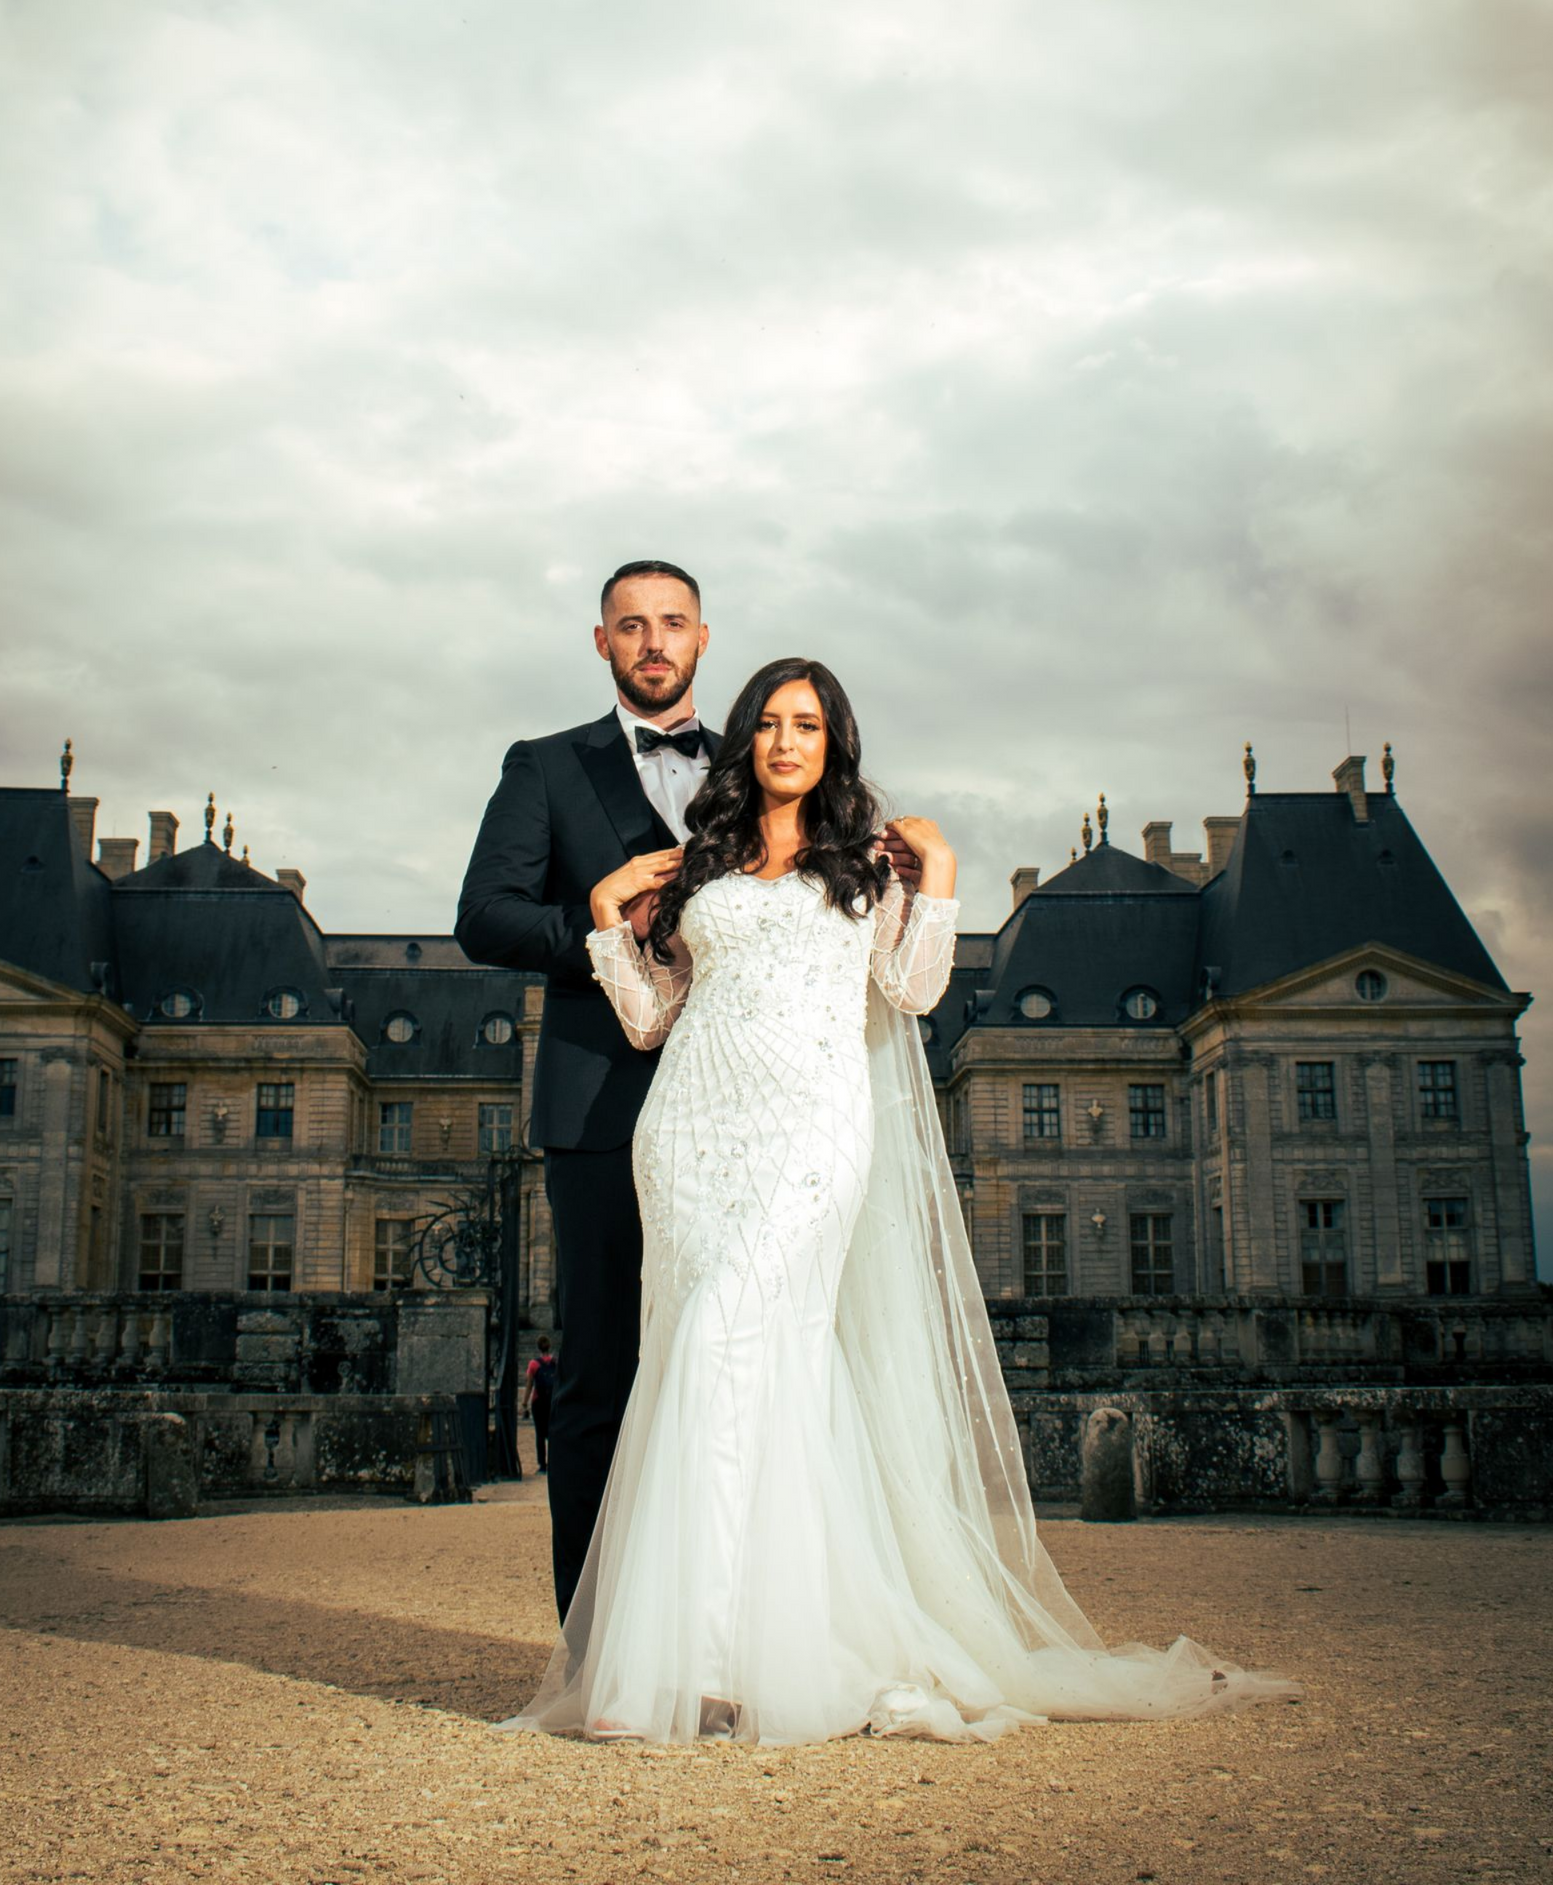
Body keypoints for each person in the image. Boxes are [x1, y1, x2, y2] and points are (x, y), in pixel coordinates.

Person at [500, 657, 1298, 1745]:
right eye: (771, 724)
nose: (787, 742)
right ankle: (716, 1653)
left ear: (834, 746)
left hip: (810, 1141)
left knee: (731, 1344)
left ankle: (728, 1653)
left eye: (809, 726)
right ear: (744, 741)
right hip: (687, 1140)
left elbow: (915, 991)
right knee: (719, 1362)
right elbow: (650, 1019)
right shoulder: (697, 869)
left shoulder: (865, 871)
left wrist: (943, 871)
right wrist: (605, 919)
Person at [455, 560, 717, 1621]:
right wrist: (604, 922)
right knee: (600, 1372)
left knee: (737, 1362)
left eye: (671, 623)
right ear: (600, 642)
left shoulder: (759, 764)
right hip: (602, 1099)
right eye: (630, 626)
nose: (652, 642)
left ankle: (719, 1629)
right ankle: (597, 1640)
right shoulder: (547, 766)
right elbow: (486, 917)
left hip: (742, 1098)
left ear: (703, 637)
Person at [525, 1335, 558, 1473]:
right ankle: (554, 1462)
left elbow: (529, 1384)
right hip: (552, 1401)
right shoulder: (555, 1362)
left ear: (538, 1347)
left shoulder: (534, 1364)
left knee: (540, 1433)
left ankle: (542, 1465)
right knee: (552, 1432)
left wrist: (524, 1402)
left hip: (538, 1402)